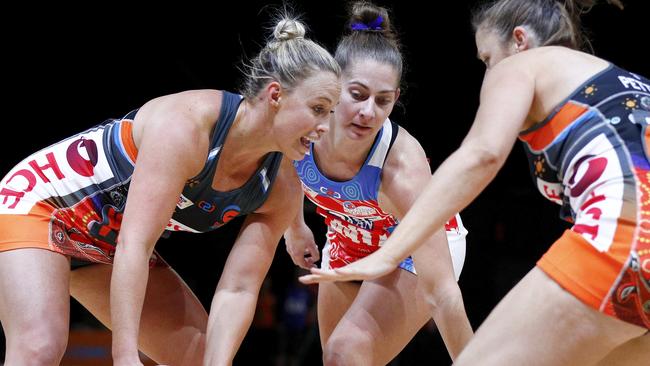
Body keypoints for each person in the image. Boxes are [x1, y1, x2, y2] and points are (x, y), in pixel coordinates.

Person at [300, 0, 650, 365]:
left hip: (625, 236)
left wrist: (387, 255)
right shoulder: (621, 80)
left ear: (519, 41)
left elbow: (481, 155)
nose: (489, 74)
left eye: (486, 59)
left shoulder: (521, 63)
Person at [0, 14, 341, 366]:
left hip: (109, 242)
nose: (325, 127)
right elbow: (136, 243)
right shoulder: (187, 127)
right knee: (38, 348)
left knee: (200, 357)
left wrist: (296, 226)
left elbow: (238, 289)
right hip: (44, 206)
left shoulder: (282, 185)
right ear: (275, 95)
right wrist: (125, 355)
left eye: (331, 113)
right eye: (318, 109)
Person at [283, 2, 473, 364]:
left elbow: (443, 294)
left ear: (395, 99)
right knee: (334, 359)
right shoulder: (301, 129)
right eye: (358, 94)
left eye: (383, 100)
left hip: (414, 247)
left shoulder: (401, 165)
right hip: (348, 236)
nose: (369, 111)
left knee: (345, 353)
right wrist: (294, 228)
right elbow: (282, 172)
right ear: (334, 83)